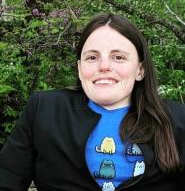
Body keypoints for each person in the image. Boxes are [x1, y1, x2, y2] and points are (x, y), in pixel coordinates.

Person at [0, 13, 185, 191]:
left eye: (118, 57)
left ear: (140, 70)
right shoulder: (44, 110)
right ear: (80, 69)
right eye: (92, 57)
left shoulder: (177, 119)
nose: (104, 66)